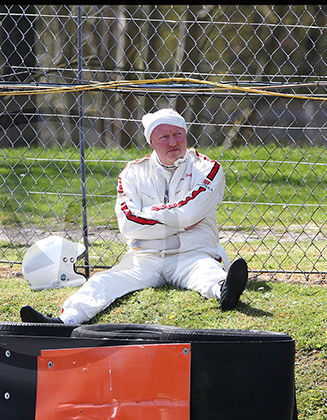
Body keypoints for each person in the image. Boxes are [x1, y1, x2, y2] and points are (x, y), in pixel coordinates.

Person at [21, 108, 248, 325]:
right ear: (151, 142)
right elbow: (128, 224)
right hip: (145, 257)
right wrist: (176, 218)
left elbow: (189, 214)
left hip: (191, 253)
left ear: (186, 135)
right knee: (104, 281)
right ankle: (64, 320)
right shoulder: (133, 172)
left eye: (178, 134)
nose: (173, 142)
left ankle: (225, 291)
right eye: (164, 136)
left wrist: (148, 214)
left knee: (206, 273)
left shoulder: (207, 168)